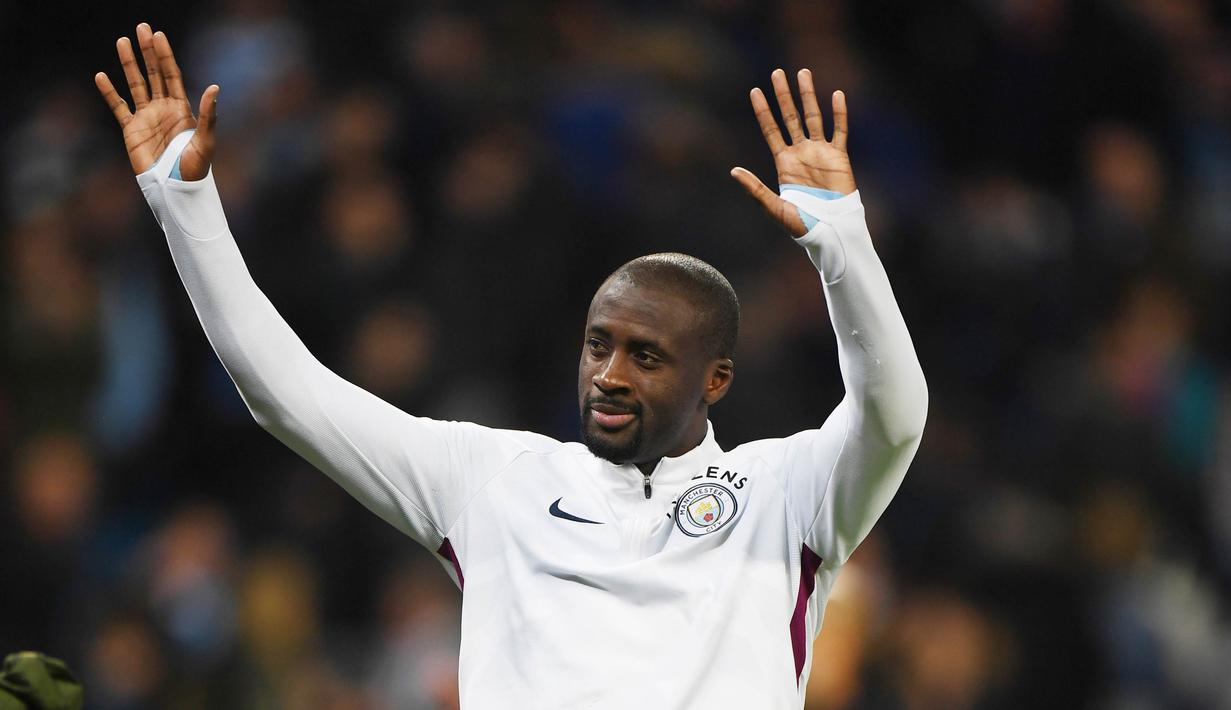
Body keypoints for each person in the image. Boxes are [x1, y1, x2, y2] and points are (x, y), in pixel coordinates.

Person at [95, 22, 927, 709]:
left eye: (646, 356)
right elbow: (287, 395)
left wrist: (838, 243)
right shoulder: (494, 482)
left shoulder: (786, 495)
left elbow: (892, 413)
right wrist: (186, 208)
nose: (608, 374)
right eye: (598, 344)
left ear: (716, 379)